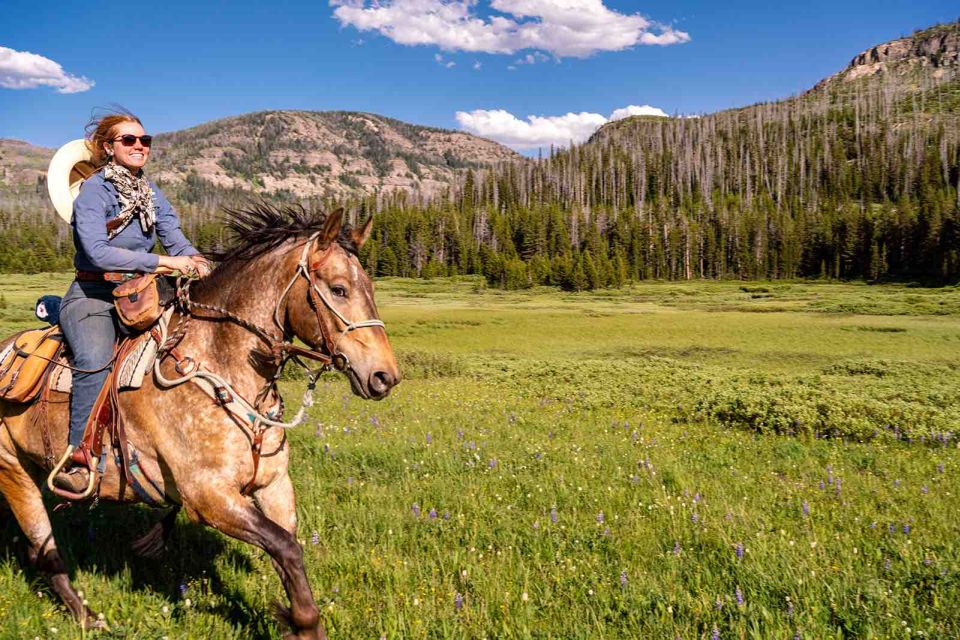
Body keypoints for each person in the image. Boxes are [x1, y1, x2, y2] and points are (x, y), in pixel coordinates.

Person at [58, 111, 210, 469]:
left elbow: (176, 239)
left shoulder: (151, 193)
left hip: (142, 294)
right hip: (93, 296)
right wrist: (164, 264)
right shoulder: (93, 191)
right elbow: (97, 252)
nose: (140, 146)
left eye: (145, 141)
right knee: (94, 360)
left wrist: (197, 261)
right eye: (129, 140)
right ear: (109, 148)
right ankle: (78, 454)